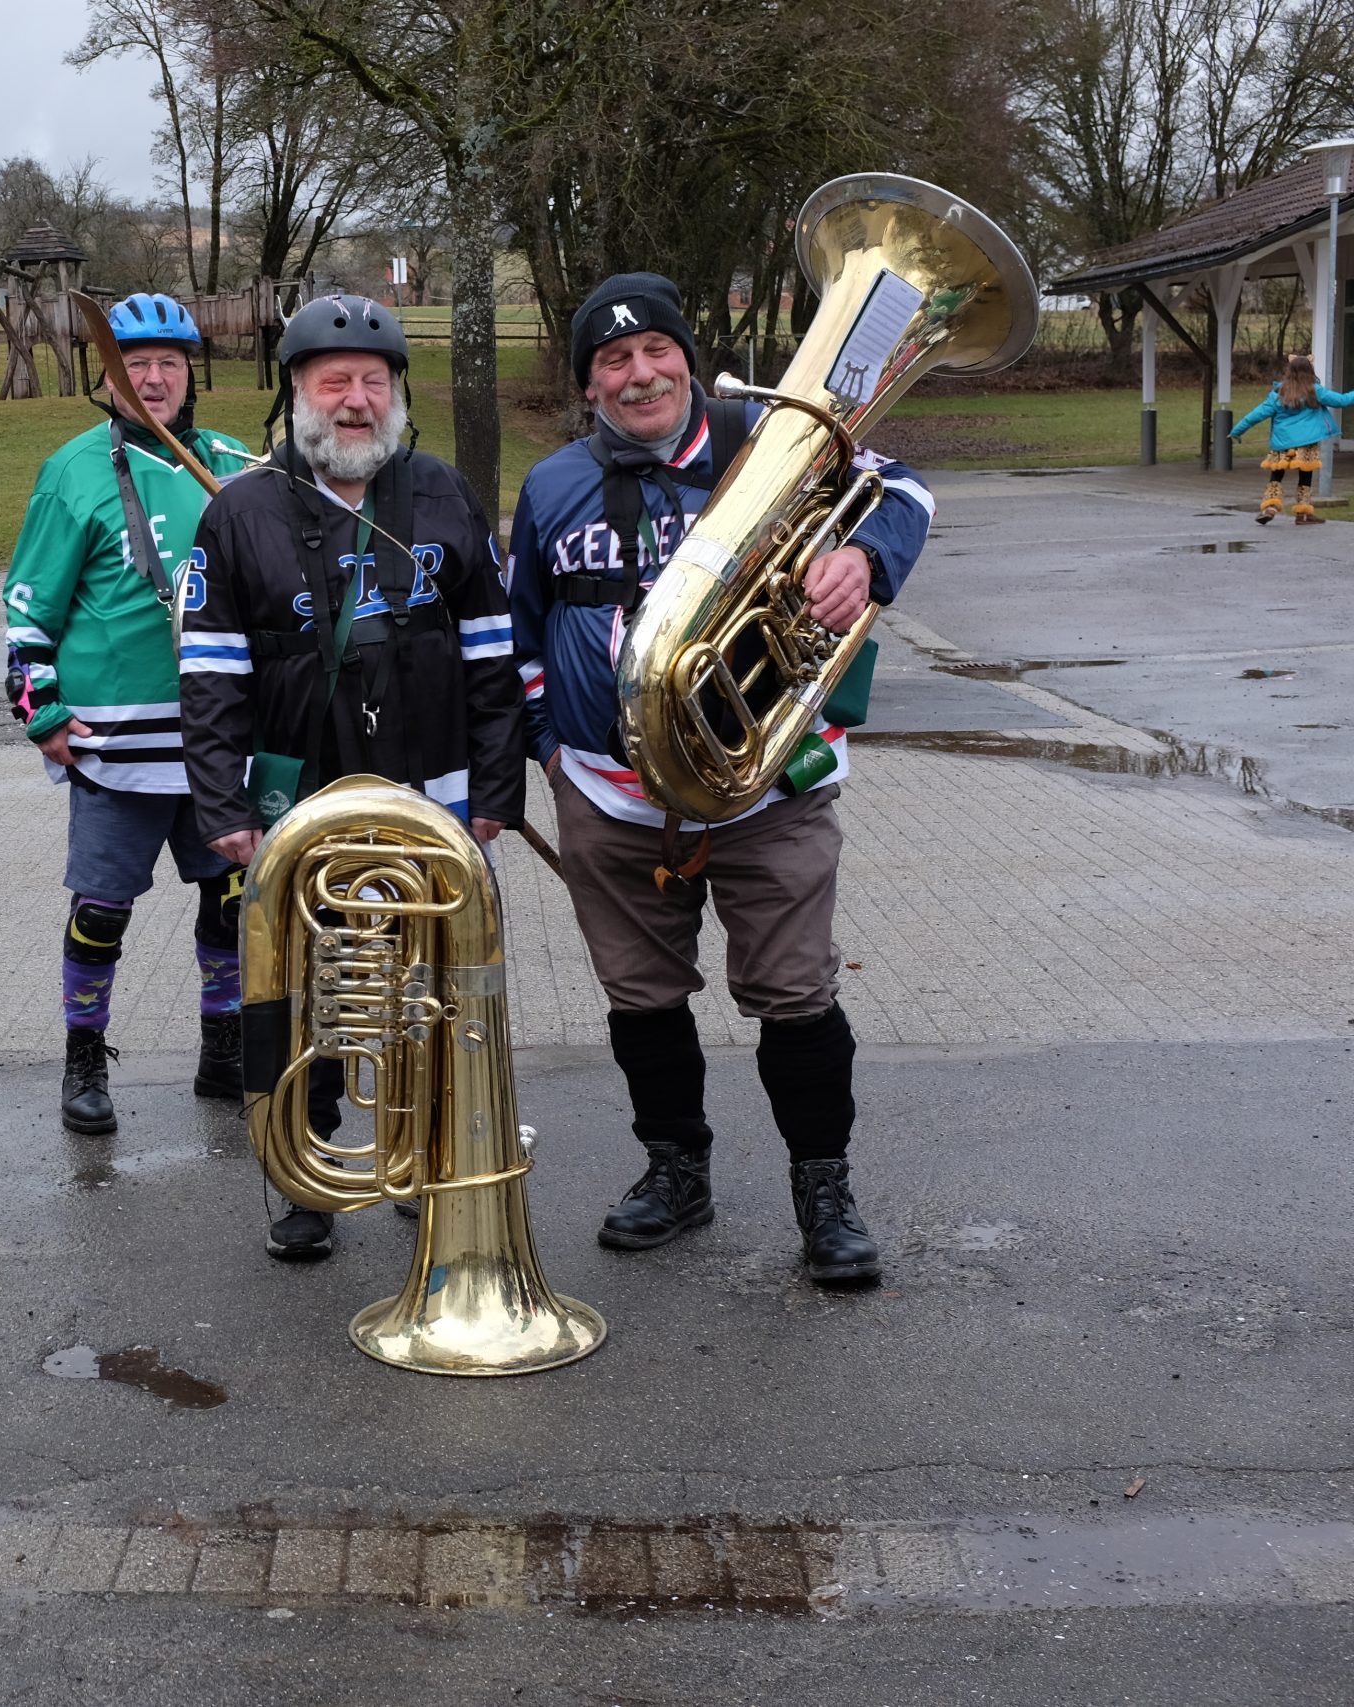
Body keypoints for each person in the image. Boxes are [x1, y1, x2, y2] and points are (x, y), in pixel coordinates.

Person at [506, 271, 935, 1287]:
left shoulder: (775, 441)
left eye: (656, 350)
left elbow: (908, 489)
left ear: (689, 362)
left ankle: (823, 1188)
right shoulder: (551, 485)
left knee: (794, 994)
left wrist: (866, 562)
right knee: (641, 997)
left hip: (764, 793)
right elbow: (522, 627)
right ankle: (676, 1172)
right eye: (613, 360)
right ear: (588, 385)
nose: (639, 373)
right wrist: (551, 748)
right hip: (609, 797)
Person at [178, 294, 526, 1262]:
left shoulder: (444, 493)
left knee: (432, 985)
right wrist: (222, 804)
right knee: (305, 989)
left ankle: (427, 1152)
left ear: (398, 395)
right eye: (334, 381)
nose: (356, 400)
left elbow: (493, 655)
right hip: (298, 806)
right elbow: (209, 676)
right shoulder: (239, 510)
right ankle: (305, 1175)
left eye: (374, 382)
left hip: (435, 797)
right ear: (295, 394)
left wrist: (497, 792)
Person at [3, 293, 256, 1136]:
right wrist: (41, 711)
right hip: (115, 743)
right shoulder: (72, 471)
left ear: (191, 374)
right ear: (107, 377)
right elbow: (27, 608)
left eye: (168, 364)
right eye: (133, 364)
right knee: (102, 911)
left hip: (216, 741)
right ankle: (84, 1056)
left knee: (229, 900)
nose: (151, 379)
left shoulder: (233, 465)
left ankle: (223, 1046)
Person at [1230, 353, 1351, 524]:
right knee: (1305, 475)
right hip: (1306, 442)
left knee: (1277, 474)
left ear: (1289, 371)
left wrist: (1236, 431)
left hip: (1282, 442)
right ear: (1310, 371)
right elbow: (1342, 401)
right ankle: (1303, 513)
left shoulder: (1278, 393)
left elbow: (1256, 415)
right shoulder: (1315, 391)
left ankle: (1270, 507)